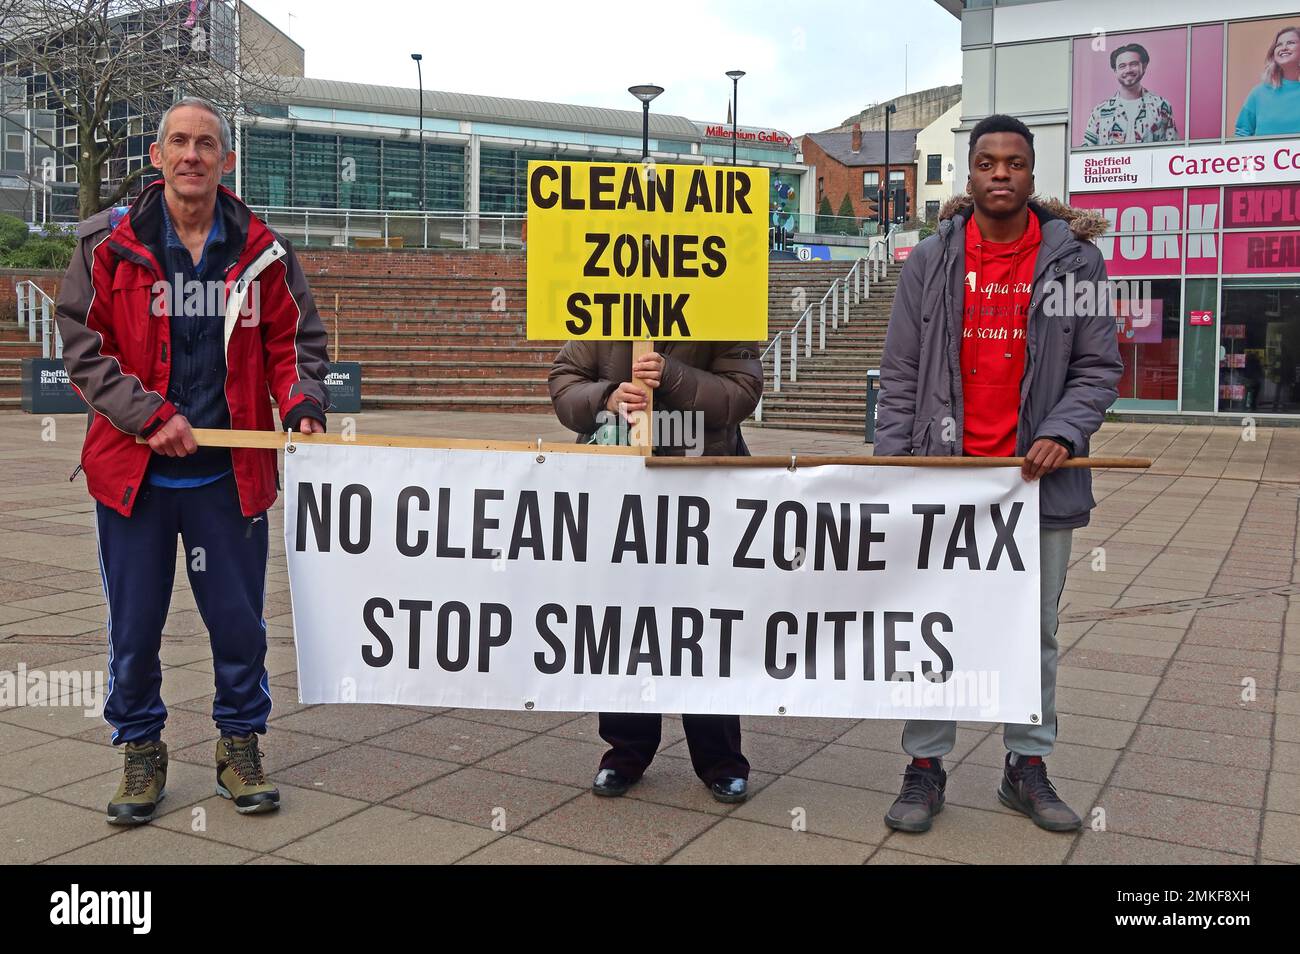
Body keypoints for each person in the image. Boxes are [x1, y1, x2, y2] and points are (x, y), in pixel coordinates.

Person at [56, 97, 330, 825]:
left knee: (239, 625)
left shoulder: (263, 248)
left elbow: (294, 341)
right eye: (178, 141)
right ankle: (141, 750)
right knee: (135, 625)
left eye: (207, 144)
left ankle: (239, 745)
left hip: (228, 476)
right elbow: (85, 347)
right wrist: (150, 416)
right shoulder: (104, 245)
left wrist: (301, 402)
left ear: (226, 160)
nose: (192, 155)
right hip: (134, 476)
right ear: (156, 155)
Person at [874, 114, 1123, 834]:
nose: (1002, 175)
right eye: (988, 163)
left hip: (1034, 486)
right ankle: (924, 766)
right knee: (931, 624)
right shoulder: (932, 260)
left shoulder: (1075, 263)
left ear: (1032, 173)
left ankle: (1027, 765)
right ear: (970, 174)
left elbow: (1098, 367)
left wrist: (1061, 431)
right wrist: (895, 470)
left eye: (1015, 163)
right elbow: (901, 374)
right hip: (945, 482)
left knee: (1032, 630)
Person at [548, 341, 761, 802]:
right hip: (620, 492)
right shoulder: (604, 308)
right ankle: (624, 753)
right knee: (625, 627)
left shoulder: (720, 302)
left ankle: (721, 760)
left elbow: (741, 394)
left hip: (704, 491)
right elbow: (564, 383)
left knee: (703, 629)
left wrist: (672, 375)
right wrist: (605, 397)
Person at [1082, 43, 1179, 145]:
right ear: (1115, 71)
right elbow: (1086, 152)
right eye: (1122, 66)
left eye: (1133, 64)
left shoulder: (1161, 106)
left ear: (1144, 67)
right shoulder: (1100, 111)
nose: (1128, 70)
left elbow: (1172, 148)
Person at [1234, 25, 1300, 137]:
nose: (1284, 47)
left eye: (1290, 43)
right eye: (1279, 44)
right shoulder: (1259, 93)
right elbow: (1242, 133)